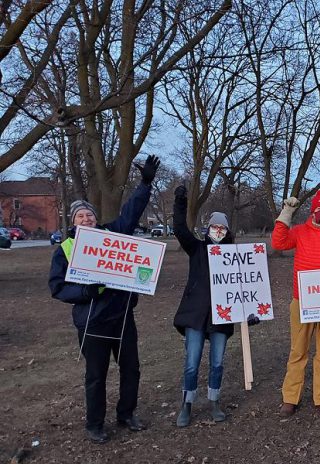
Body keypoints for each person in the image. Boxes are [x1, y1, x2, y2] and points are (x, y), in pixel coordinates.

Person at [48, 155, 160, 444]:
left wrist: (145, 184)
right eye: (80, 216)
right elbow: (57, 287)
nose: (87, 219)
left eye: (90, 215)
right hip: (92, 320)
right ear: (73, 222)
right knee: (96, 375)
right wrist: (84, 292)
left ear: (96, 218)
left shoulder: (112, 234)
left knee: (131, 368)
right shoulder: (66, 249)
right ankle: (94, 423)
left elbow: (132, 211)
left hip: (122, 317)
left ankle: (127, 414)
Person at [172, 185, 260, 427]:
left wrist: (251, 312)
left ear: (227, 231)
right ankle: (187, 404)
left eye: (222, 228)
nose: (218, 231)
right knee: (192, 362)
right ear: (208, 229)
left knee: (217, 362)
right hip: (195, 315)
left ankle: (214, 401)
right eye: (214, 227)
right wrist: (180, 201)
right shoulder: (197, 249)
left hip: (222, 316)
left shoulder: (236, 256)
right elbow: (179, 229)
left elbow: (248, 286)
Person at [272, 189, 320, 417]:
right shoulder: (300, 232)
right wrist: (286, 213)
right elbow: (278, 242)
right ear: (312, 211)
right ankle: (290, 397)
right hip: (302, 301)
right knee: (298, 351)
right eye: (319, 209)